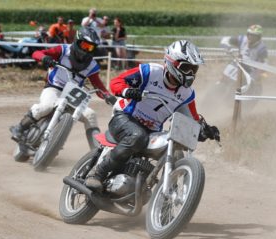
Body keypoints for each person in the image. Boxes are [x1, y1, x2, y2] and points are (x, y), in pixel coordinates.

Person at [85, 40, 220, 192]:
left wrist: (205, 130)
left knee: (176, 150)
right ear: (172, 62)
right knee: (137, 136)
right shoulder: (150, 71)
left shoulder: (187, 94)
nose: (190, 74)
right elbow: (117, 81)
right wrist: (127, 91)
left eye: (194, 69)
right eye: (186, 68)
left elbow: (193, 117)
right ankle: (97, 173)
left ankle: (163, 191)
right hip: (124, 117)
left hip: (152, 131)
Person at [9, 27, 117, 147]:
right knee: (47, 106)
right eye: (85, 45)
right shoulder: (63, 50)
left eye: (90, 47)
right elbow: (36, 53)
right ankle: (20, 128)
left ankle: (96, 151)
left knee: (91, 115)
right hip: (53, 88)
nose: (87, 50)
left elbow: (98, 85)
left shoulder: (92, 65)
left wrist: (108, 96)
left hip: (72, 97)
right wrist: (45, 58)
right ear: (77, 41)